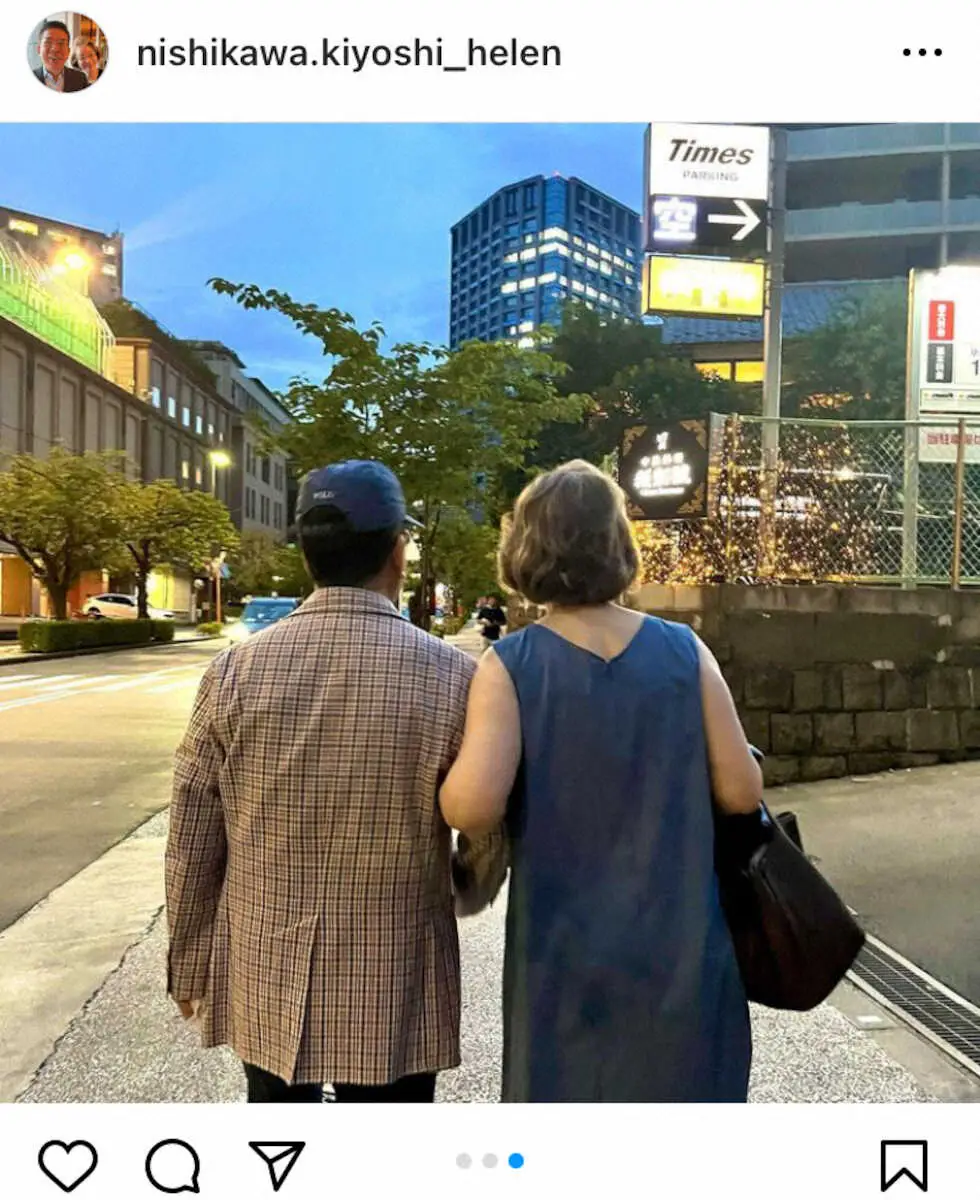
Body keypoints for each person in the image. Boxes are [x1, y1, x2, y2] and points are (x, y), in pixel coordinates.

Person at [166, 460, 493, 1103]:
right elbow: (486, 820)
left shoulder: (235, 673)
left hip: (268, 962)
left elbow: (193, 836)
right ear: (397, 552)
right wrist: (465, 884)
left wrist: (188, 963)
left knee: (279, 1139)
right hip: (396, 962)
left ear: (308, 556)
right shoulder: (454, 677)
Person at [439, 460, 763, 1103]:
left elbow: (472, 808)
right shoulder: (685, 650)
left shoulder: (512, 665)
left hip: (564, 955)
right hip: (683, 945)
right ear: (618, 545)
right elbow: (741, 792)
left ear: (524, 550)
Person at [33, 21, 89, 92]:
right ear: (39, 49)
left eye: (61, 43)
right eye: (48, 42)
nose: (55, 49)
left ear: (68, 51)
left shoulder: (80, 79)